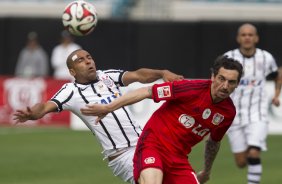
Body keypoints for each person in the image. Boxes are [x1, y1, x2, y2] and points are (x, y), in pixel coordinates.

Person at [13, 49, 184, 184]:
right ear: (72, 72)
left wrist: (162, 73)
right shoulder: (70, 91)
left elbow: (138, 75)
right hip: (123, 154)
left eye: (89, 57)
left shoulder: (107, 76)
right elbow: (44, 106)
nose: (88, 61)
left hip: (146, 143)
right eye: (81, 60)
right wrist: (32, 113)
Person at [80, 55, 244, 184]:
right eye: (222, 79)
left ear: (237, 84)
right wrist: (109, 107)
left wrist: (207, 171)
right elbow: (146, 92)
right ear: (213, 76)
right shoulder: (190, 89)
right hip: (153, 145)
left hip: (178, 158)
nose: (225, 86)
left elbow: (214, 142)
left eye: (231, 82)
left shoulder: (228, 112)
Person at [223, 23, 282, 184]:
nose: (247, 37)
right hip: (234, 116)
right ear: (238, 38)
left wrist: (276, 95)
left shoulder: (266, 57)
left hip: (258, 113)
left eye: (250, 35)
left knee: (254, 153)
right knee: (241, 162)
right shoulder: (229, 57)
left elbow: (278, 74)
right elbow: (216, 77)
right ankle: (250, 159)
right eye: (243, 35)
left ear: (256, 38)